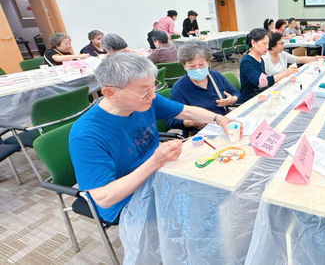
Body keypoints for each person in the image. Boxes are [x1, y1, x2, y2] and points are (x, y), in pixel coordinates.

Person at [69, 52, 238, 224]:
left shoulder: (146, 100)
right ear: (110, 92)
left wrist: (218, 119)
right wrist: (155, 161)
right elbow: (104, 198)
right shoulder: (87, 135)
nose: (152, 96)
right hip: (126, 200)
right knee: (202, 211)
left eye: (153, 88)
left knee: (219, 185)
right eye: (144, 92)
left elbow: (186, 111)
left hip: (158, 174)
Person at [168, 43, 240, 137]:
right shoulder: (179, 88)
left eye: (201, 65)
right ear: (184, 66)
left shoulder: (215, 77)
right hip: (199, 134)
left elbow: (236, 92)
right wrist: (193, 122)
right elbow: (171, 120)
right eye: (192, 66)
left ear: (208, 63)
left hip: (223, 126)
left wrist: (232, 99)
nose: (197, 69)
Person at [239, 28, 297, 103]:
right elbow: (261, 83)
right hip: (250, 100)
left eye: (268, 44)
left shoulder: (260, 59)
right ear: (253, 43)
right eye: (264, 43)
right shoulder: (247, 61)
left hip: (260, 95)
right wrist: (284, 73)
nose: (267, 47)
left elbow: (264, 79)